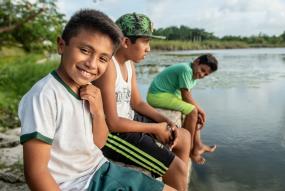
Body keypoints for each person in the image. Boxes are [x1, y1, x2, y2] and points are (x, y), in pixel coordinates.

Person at [18, 9, 176, 191]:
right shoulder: (44, 96)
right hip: (76, 184)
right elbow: (36, 172)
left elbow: (100, 143)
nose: (92, 64)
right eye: (85, 50)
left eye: (103, 58)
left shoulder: (90, 90)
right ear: (61, 45)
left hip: (101, 169)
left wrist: (99, 112)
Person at [93, 13, 190, 191]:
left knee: (183, 136)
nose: (148, 49)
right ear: (125, 42)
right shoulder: (109, 67)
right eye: (145, 41)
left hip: (129, 120)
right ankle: (175, 175)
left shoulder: (129, 64)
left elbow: (137, 103)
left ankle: (174, 180)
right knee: (178, 168)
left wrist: (164, 121)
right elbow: (112, 123)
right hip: (112, 135)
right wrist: (155, 129)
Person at [147, 54, 218, 164]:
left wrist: (199, 112)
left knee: (195, 113)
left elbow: (187, 97)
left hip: (169, 95)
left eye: (205, 74)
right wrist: (201, 111)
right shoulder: (186, 70)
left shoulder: (193, 74)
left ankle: (197, 146)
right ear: (196, 61)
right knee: (193, 111)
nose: (202, 74)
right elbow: (186, 97)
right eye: (202, 70)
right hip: (158, 95)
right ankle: (187, 149)